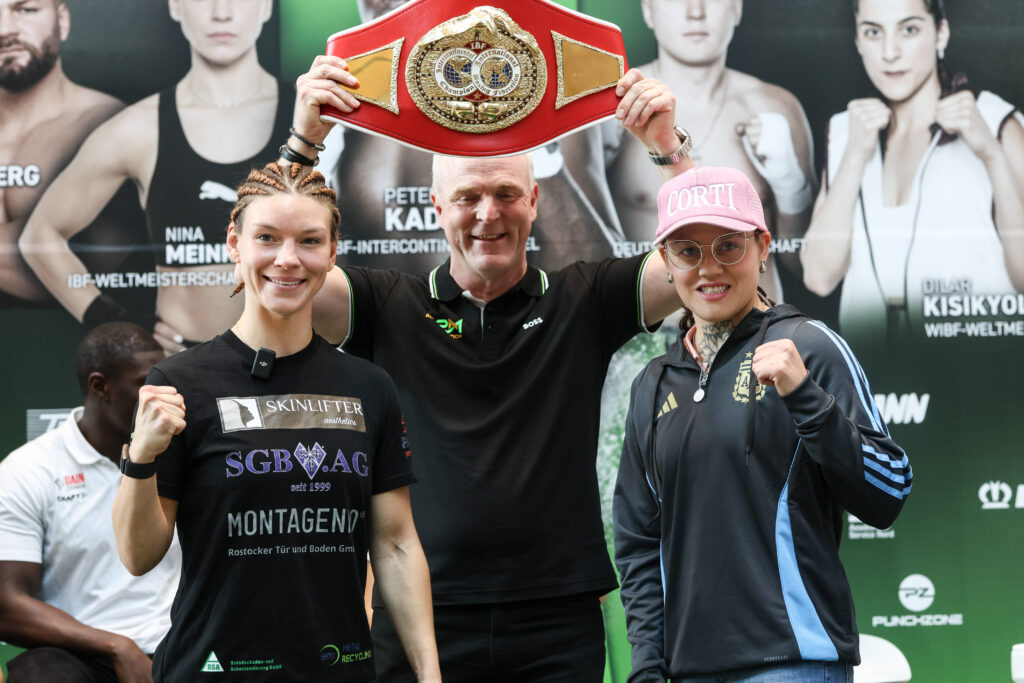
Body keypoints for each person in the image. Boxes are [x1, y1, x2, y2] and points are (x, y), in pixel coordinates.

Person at [293, 54, 689, 681]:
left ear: (534, 200)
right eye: (467, 197)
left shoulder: (582, 299)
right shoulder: (386, 304)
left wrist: (666, 147)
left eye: (506, 194)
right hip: (420, 612)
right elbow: (273, 270)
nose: (488, 214)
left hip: (557, 615)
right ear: (435, 205)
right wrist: (304, 143)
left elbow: (703, 262)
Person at [111, 161, 440, 682]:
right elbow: (137, 555)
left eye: (309, 241)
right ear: (234, 244)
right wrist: (141, 457)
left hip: (338, 671)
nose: (287, 260)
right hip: (213, 670)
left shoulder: (369, 387)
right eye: (267, 238)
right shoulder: (180, 382)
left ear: (332, 254)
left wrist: (429, 674)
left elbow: (397, 545)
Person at [613, 166, 913, 681]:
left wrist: (806, 399)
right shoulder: (653, 383)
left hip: (792, 663)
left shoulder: (809, 345)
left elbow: (888, 493)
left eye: (729, 246)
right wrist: (646, 665)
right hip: (685, 670)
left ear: (762, 245)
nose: (709, 269)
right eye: (688, 251)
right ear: (665, 260)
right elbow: (639, 542)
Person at [19, 0, 293, 353]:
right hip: (185, 375)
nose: (221, 12)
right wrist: (115, 326)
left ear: (266, 6)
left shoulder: (313, 119)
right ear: (176, 6)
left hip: (294, 371)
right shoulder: (139, 128)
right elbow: (39, 236)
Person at [316, 0, 626, 274]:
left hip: (520, 334)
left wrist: (538, 148)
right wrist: (306, 135)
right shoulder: (340, 93)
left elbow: (600, 275)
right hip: (387, 334)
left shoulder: (549, 86)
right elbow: (296, 264)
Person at [800, 0, 1024, 340]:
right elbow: (819, 277)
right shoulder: (848, 130)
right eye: (873, 32)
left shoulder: (994, 120)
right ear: (858, 41)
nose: (890, 52)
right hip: (877, 377)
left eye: (909, 29)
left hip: (974, 371)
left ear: (940, 33)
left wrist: (991, 154)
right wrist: (856, 153)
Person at [599, 0, 817, 300]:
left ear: (737, 8)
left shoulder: (777, 106)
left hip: (755, 330)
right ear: (648, 10)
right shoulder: (611, 110)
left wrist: (792, 186)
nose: (696, 12)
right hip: (644, 335)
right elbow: (576, 256)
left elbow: (807, 266)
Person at [0, 322, 179, 683]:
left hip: (181, 645)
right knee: (40, 675)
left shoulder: (182, 457)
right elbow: (6, 604)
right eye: (145, 383)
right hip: (83, 655)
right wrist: (117, 646)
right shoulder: (29, 469)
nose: (160, 397)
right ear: (101, 386)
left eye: (164, 382)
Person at [0, 0, 122, 303]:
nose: (4, 30)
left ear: (62, 20)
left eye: (25, 10)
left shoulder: (110, 124)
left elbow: (93, 263)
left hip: (70, 339)